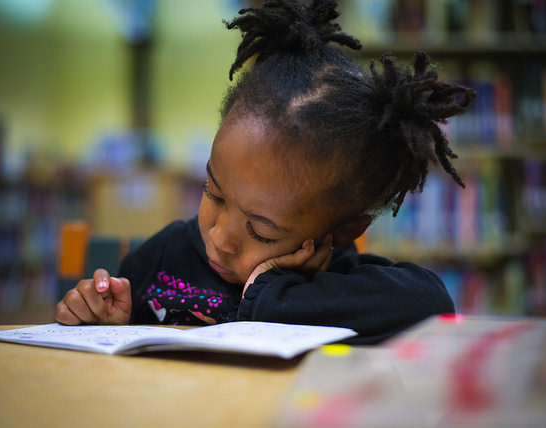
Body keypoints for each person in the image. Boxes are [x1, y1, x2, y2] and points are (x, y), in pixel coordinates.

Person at [55, 0, 476, 344]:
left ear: (342, 231)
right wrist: (101, 318)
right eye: (213, 193)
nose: (219, 238)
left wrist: (270, 292)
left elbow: (433, 303)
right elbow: (115, 343)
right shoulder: (170, 252)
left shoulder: (340, 282)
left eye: (261, 231)